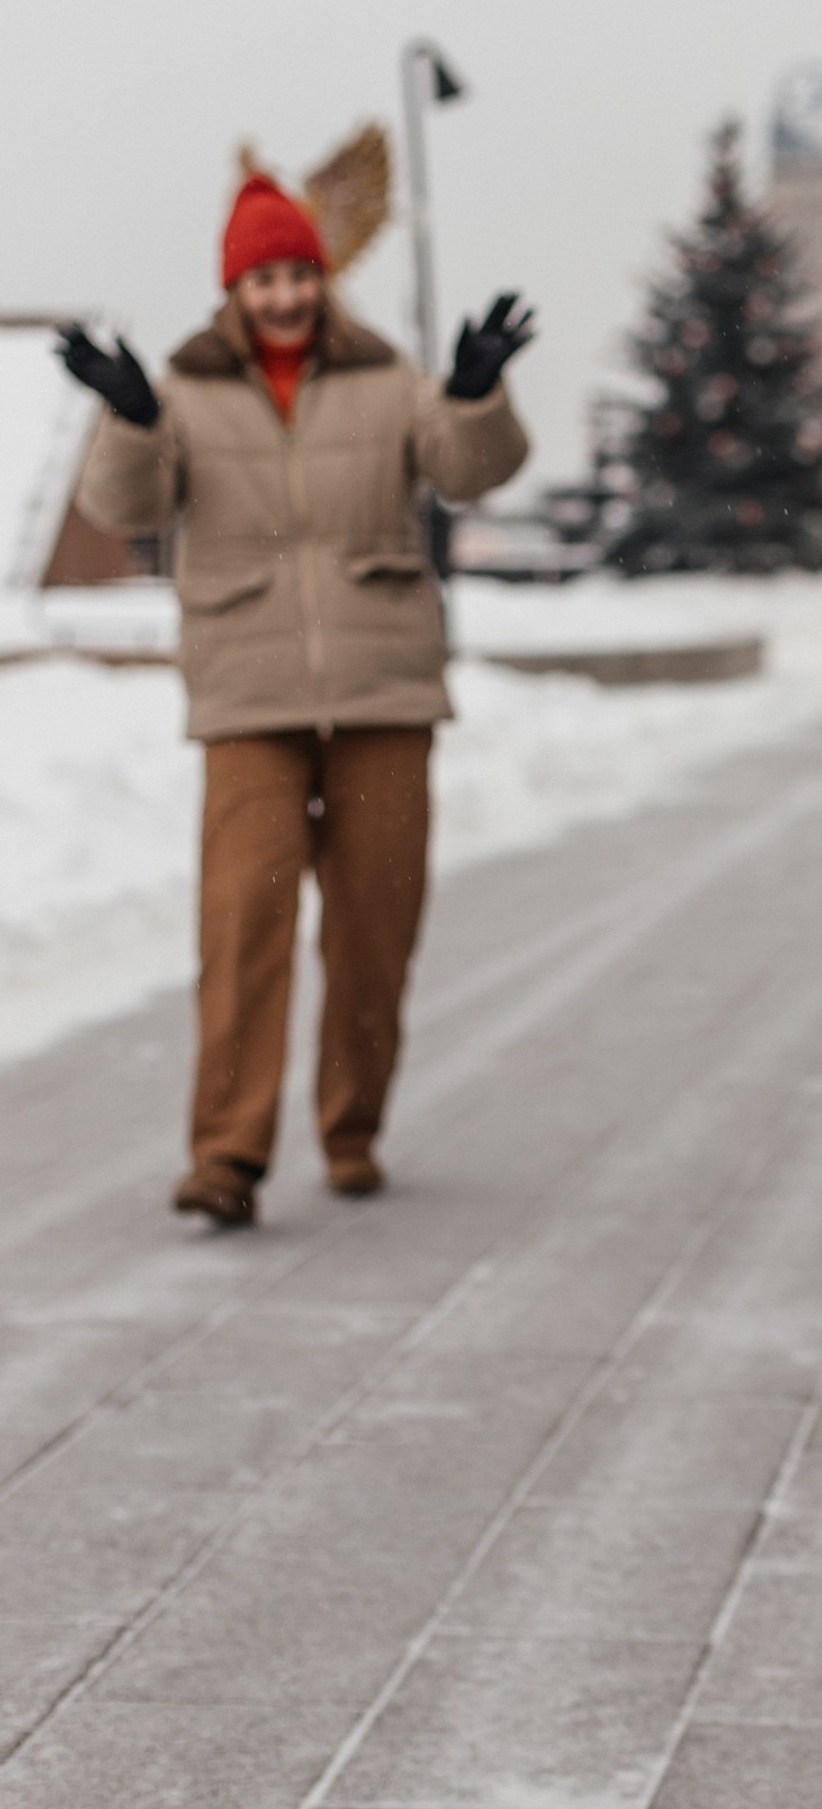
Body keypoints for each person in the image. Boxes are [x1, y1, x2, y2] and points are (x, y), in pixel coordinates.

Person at [62, 173, 533, 1227]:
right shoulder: (185, 392)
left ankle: (352, 1128)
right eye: (262, 278)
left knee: (375, 928)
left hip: (381, 692)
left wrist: (472, 395)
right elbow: (120, 505)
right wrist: (131, 416)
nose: (282, 296)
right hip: (249, 699)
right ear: (235, 289)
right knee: (241, 928)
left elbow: (468, 471)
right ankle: (224, 1158)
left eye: (297, 275)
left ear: (322, 281)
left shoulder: (387, 378)